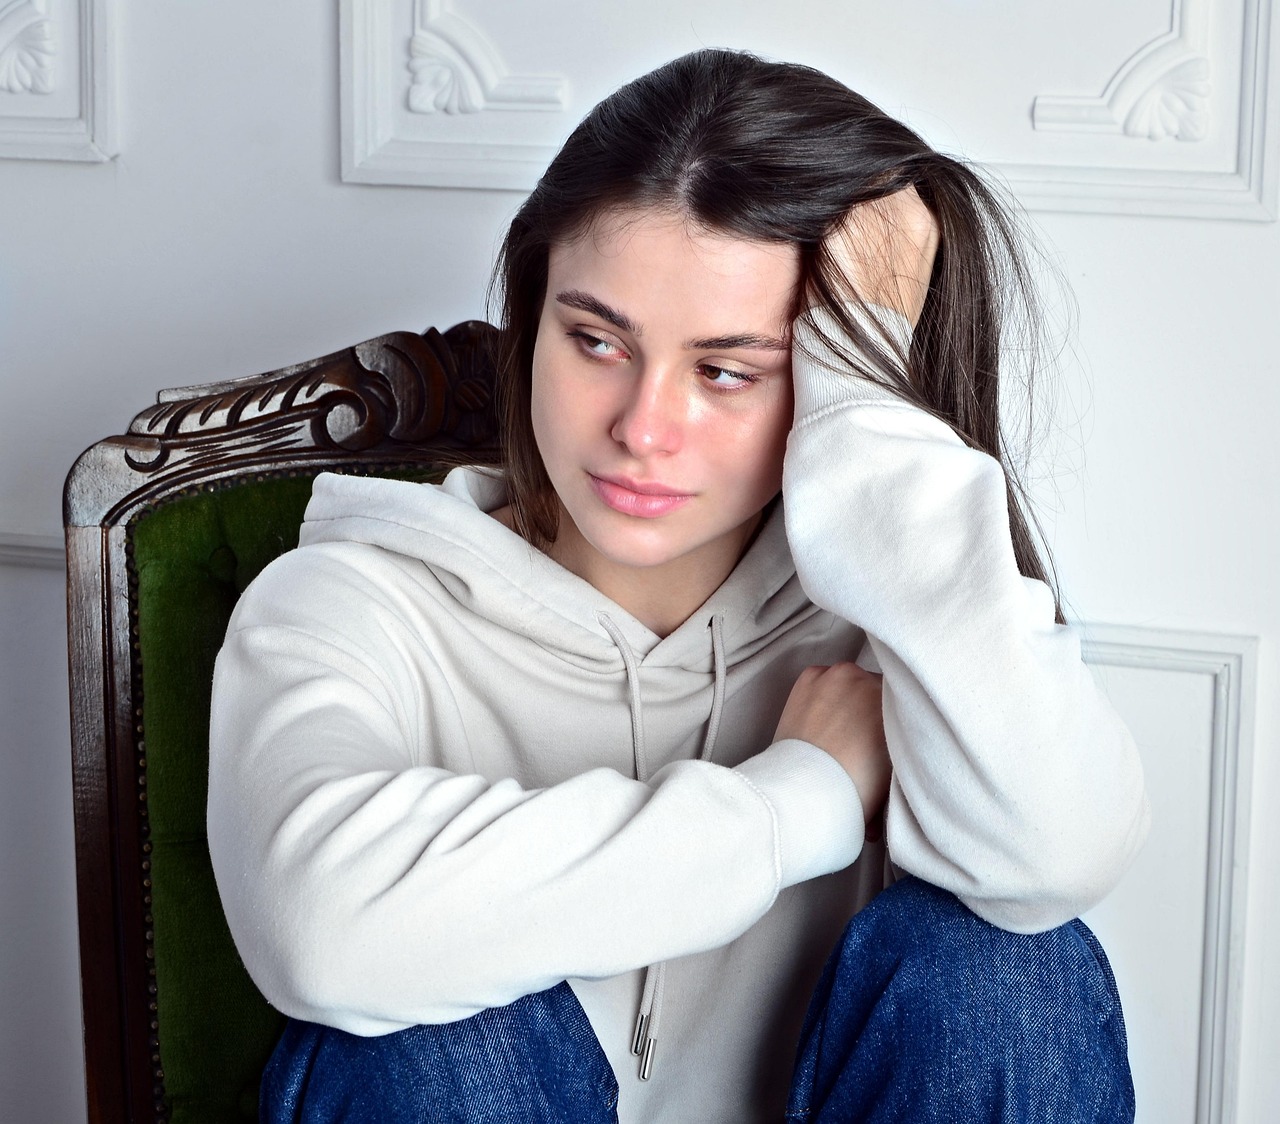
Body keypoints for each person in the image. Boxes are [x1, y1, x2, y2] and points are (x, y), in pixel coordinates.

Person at [207, 49, 1150, 1123]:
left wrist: (873, 408)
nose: (641, 428)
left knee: (1011, 976)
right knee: (431, 1029)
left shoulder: (899, 623)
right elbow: (323, 935)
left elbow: (1056, 859)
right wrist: (802, 797)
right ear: (532, 321)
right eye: (595, 341)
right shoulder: (348, 604)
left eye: (726, 370)